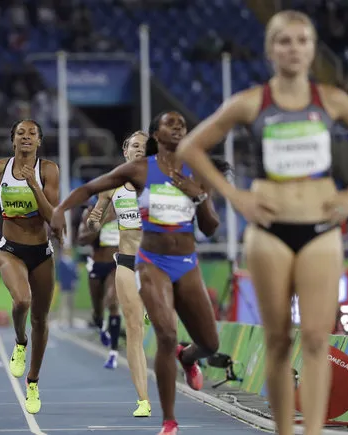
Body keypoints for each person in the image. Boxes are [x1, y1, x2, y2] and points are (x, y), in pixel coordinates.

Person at [175, 11, 348, 435]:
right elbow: (191, 146)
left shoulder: (331, 99)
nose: (293, 48)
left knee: (315, 339)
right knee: (277, 342)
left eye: (301, 40)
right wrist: (236, 196)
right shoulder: (251, 101)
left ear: (313, 49)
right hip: (269, 234)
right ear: (269, 49)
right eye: (283, 41)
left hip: (321, 232)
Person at [50, 111, 230, 435]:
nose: (177, 127)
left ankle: (187, 358)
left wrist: (198, 195)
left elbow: (211, 227)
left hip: (186, 263)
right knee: (161, 332)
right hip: (146, 261)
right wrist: (62, 210)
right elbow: (91, 193)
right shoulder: (136, 173)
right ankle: (167, 418)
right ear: (155, 136)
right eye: (169, 123)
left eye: (182, 124)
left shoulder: (196, 171)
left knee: (210, 343)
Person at [0, 119, 60, 415]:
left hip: (41, 252)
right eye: (21, 133)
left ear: (39, 142)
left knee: (41, 320)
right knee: (21, 300)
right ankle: (20, 341)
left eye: (32, 134)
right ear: (13, 140)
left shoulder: (48, 170)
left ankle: (33, 382)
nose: (27, 137)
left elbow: (51, 215)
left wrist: (33, 184)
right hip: (10, 250)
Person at [84, 130, 151, 417]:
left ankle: (186, 357)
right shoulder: (111, 185)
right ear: (125, 151)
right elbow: (97, 216)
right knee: (134, 331)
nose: (138, 149)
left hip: (155, 262)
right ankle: (143, 400)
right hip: (125, 260)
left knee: (167, 328)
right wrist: (93, 221)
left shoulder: (161, 181)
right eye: (134, 145)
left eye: (144, 147)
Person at [77, 202, 121, 367]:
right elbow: (81, 240)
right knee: (97, 312)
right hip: (96, 264)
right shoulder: (90, 212)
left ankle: (114, 351)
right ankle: (101, 326)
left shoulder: (124, 210)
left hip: (116, 264)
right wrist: (102, 223)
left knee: (113, 302)